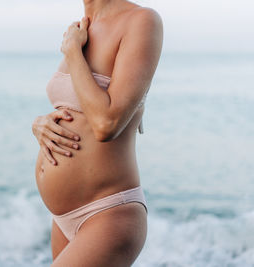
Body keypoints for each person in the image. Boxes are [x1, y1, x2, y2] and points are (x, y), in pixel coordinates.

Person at [32, 0, 163, 266]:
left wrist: (72, 53)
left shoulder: (141, 21)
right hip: (63, 218)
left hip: (108, 213)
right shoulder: (81, 28)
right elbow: (78, 107)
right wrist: (41, 124)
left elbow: (107, 123)